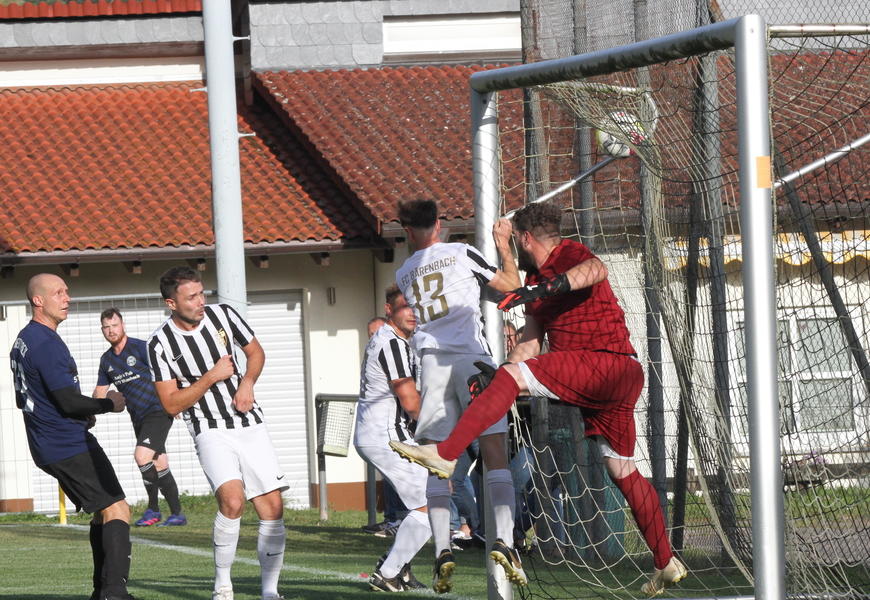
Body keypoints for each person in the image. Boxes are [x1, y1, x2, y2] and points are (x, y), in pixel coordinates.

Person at [390, 202, 689, 597]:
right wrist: (497, 375)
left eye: (516, 240)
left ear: (526, 237)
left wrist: (545, 288)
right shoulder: (533, 280)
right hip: (616, 379)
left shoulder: (570, 254)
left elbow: (595, 271)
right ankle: (665, 560)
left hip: (603, 365)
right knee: (622, 470)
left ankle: (447, 453)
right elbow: (529, 345)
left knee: (513, 388)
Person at [389, 198, 525, 593]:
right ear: (439, 224)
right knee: (494, 449)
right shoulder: (462, 252)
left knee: (437, 461)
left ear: (407, 230)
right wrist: (504, 244)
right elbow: (511, 289)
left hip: (431, 366)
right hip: (471, 361)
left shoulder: (404, 271)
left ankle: (443, 550)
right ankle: (504, 540)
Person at [147, 266, 286, 600]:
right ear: (171, 303)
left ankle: (270, 591)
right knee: (233, 501)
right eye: (191, 297)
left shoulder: (224, 315)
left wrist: (247, 382)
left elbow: (255, 352)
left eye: (202, 293)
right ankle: (223, 586)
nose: (200, 301)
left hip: (249, 422)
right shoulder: (159, 344)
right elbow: (170, 404)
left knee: (272, 508)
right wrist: (210, 377)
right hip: (209, 429)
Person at [9, 274, 134, 600]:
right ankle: (114, 593)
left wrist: (80, 413)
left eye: (67, 291)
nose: (67, 298)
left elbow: (41, 396)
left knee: (101, 511)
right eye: (58, 293)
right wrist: (109, 403)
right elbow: (66, 400)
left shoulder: (25, 338)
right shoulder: (46, 344)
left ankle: (101, 591)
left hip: (49, 442)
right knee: (118, 509)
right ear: (38, 300)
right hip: (67, 443)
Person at [355, 286, 432, 592]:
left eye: (416, 307)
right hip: (386, 435)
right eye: (404, 307)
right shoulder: (391, 344)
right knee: (431, 504)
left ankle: (398, 568)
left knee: (426, 500)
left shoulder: (395, 342)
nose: (412, 313)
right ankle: (388, 572)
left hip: (384, 433)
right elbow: (411, 403)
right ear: (389, 309)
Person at [93, 308, 186, 527]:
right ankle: (177, 514)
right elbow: (99, 392)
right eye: (106, 327)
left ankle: (153, 510)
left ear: (122, 325)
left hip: (158, 410)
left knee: (141, 456)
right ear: (102, 330)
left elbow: (169, 369)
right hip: (138, 417)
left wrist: (178, 398)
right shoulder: (106, 360)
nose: (111, 330)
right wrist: (90, 411)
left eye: (114, 325)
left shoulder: (141, 348)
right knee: (159, 463)